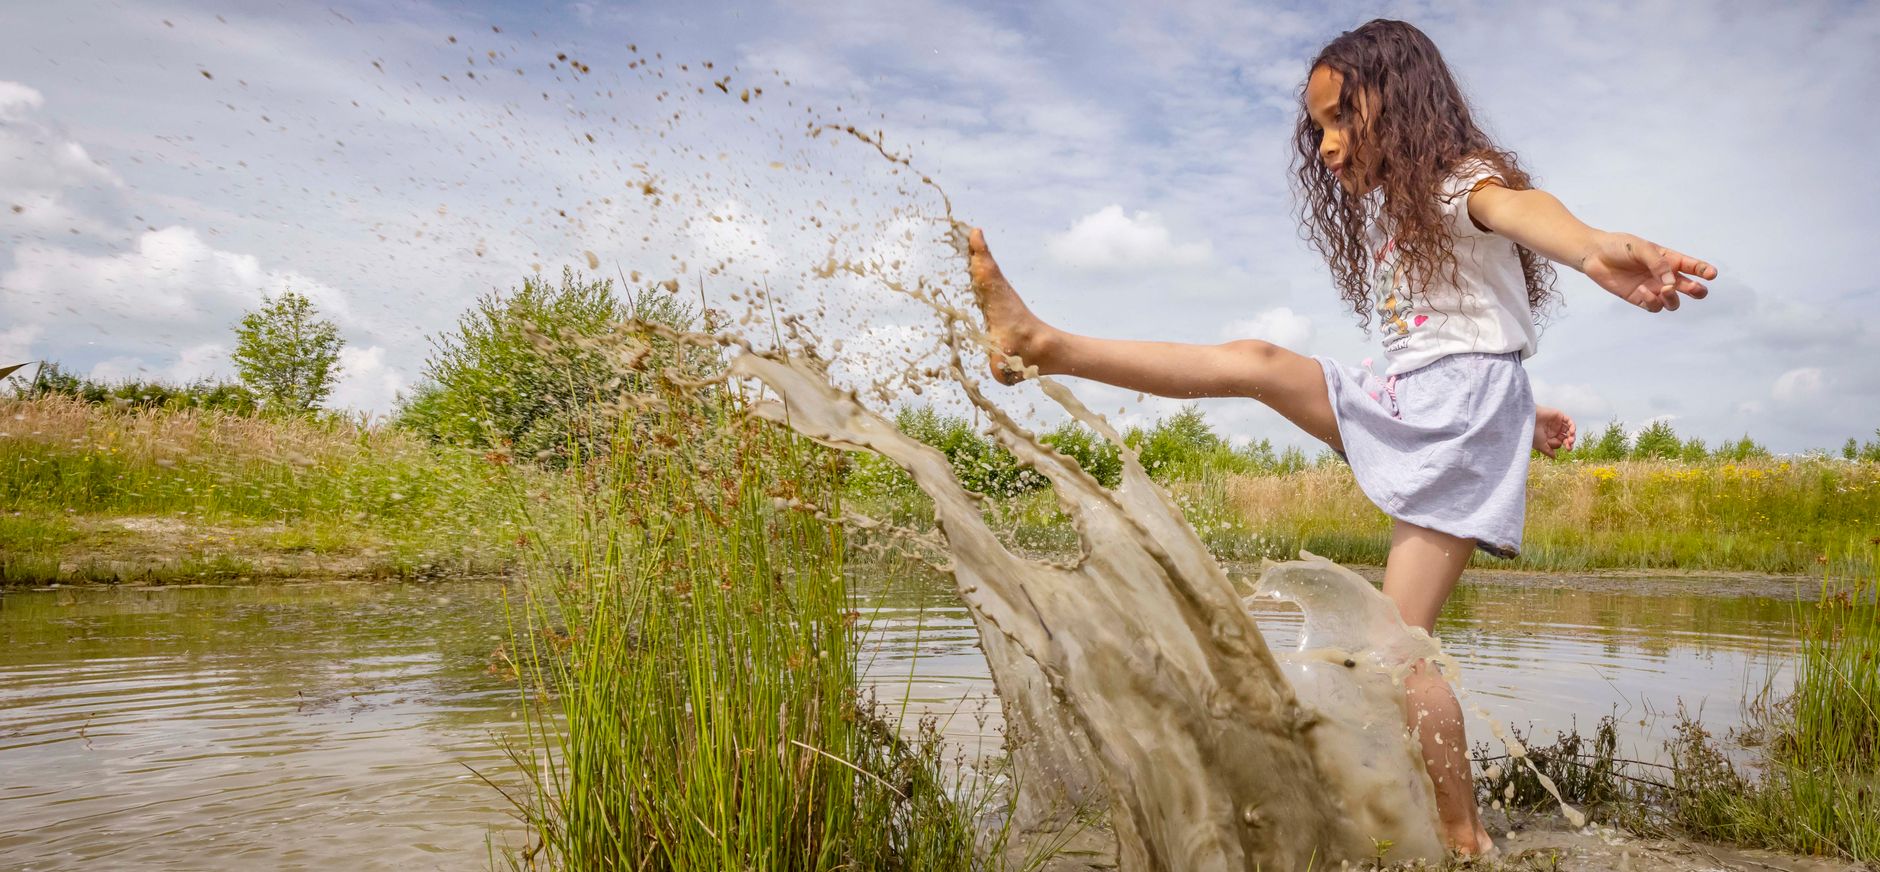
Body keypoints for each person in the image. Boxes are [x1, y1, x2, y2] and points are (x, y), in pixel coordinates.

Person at [966, 18, 1714, 856]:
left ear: (1399, 109)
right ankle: (1045, 346)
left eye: (1341, 119)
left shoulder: (1452, 181)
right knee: (1257, 361)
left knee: (1397, 647)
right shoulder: (1398, 209)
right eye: (1316, 126)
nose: (1325, 144)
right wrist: (1517, 413)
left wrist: (1589, 249)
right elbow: (1462, 328)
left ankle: (1463, 841)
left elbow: (1519, 210)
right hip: (1429, 400)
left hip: (1453, 411)